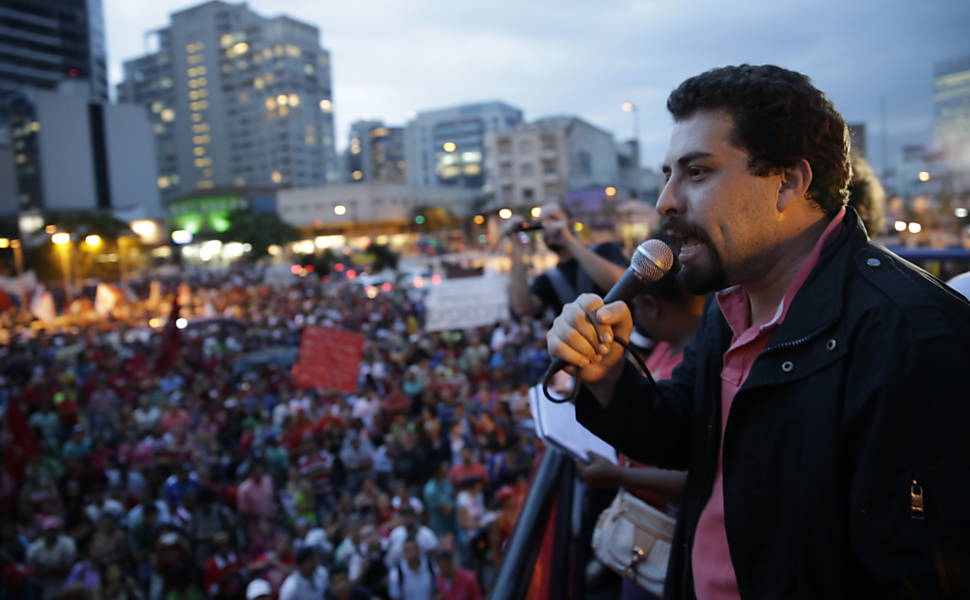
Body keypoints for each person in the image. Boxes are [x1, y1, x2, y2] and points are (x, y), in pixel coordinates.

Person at [547, 64, 970, 598]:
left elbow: (920, 572)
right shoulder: (730, 304)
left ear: (788, 182)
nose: (665, 201)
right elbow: (687, 435)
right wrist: (609, 374)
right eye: (668, 174)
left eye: (697, 172)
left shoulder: (914, 336)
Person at [504, 202, 627, 317]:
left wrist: (568, 240)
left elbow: (621, 285)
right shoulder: (549, 278)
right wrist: (517, 247)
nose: (547, 226)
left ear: (571, 222)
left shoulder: (604, 250)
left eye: (553, 219)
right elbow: (524, 309)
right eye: (541, 223)